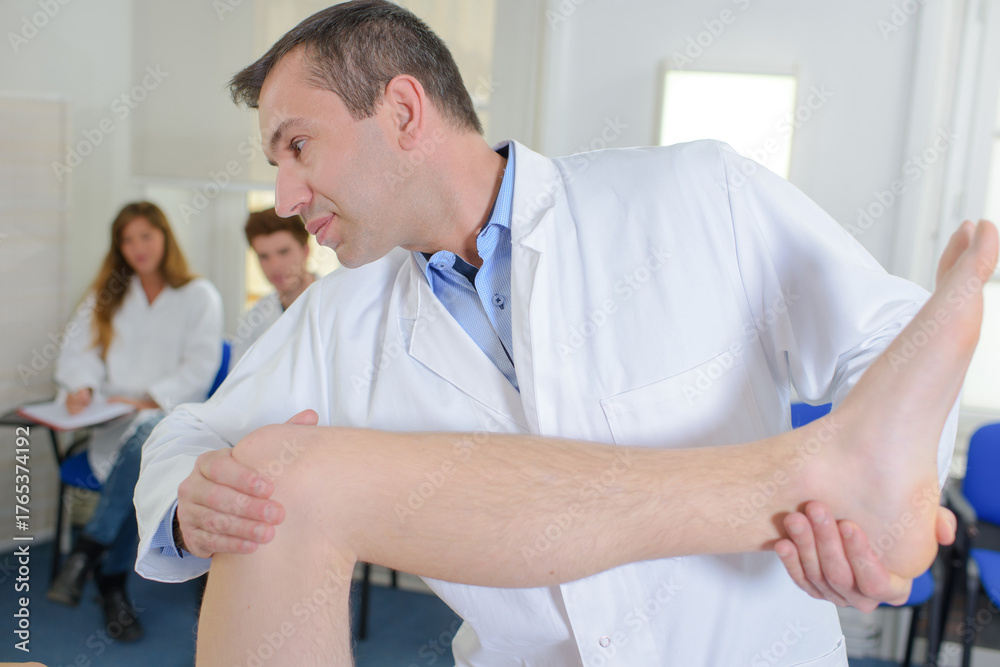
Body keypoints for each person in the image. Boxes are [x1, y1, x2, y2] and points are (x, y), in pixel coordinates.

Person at [133, 2, 974, 664]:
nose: (281, 194)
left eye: (298, 146)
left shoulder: (695, 194)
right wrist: (188, 499)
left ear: (401, 108)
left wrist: (866, 517)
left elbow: (897, 336)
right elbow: (193, 431)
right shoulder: (336, 317)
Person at [48, 201, 222, 640]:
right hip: (112, 426)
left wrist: (145, 399)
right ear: (118, 247)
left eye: (146, 235)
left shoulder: (199, 296)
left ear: (165, 237)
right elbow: (77, 355)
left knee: (149, 440)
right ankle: (106, 576)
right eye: (128, 239)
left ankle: (92, 556)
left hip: (169, 421)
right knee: (140, 464)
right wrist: (82, 385)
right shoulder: (106, 296)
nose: (138, 247)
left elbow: (199, 371)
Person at [230, 208, 315, 363]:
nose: (274, 266)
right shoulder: (252, 321)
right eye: (264, 256)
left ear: (306, 250)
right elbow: (238, 383)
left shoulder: (338, 303)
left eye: (283, 252)